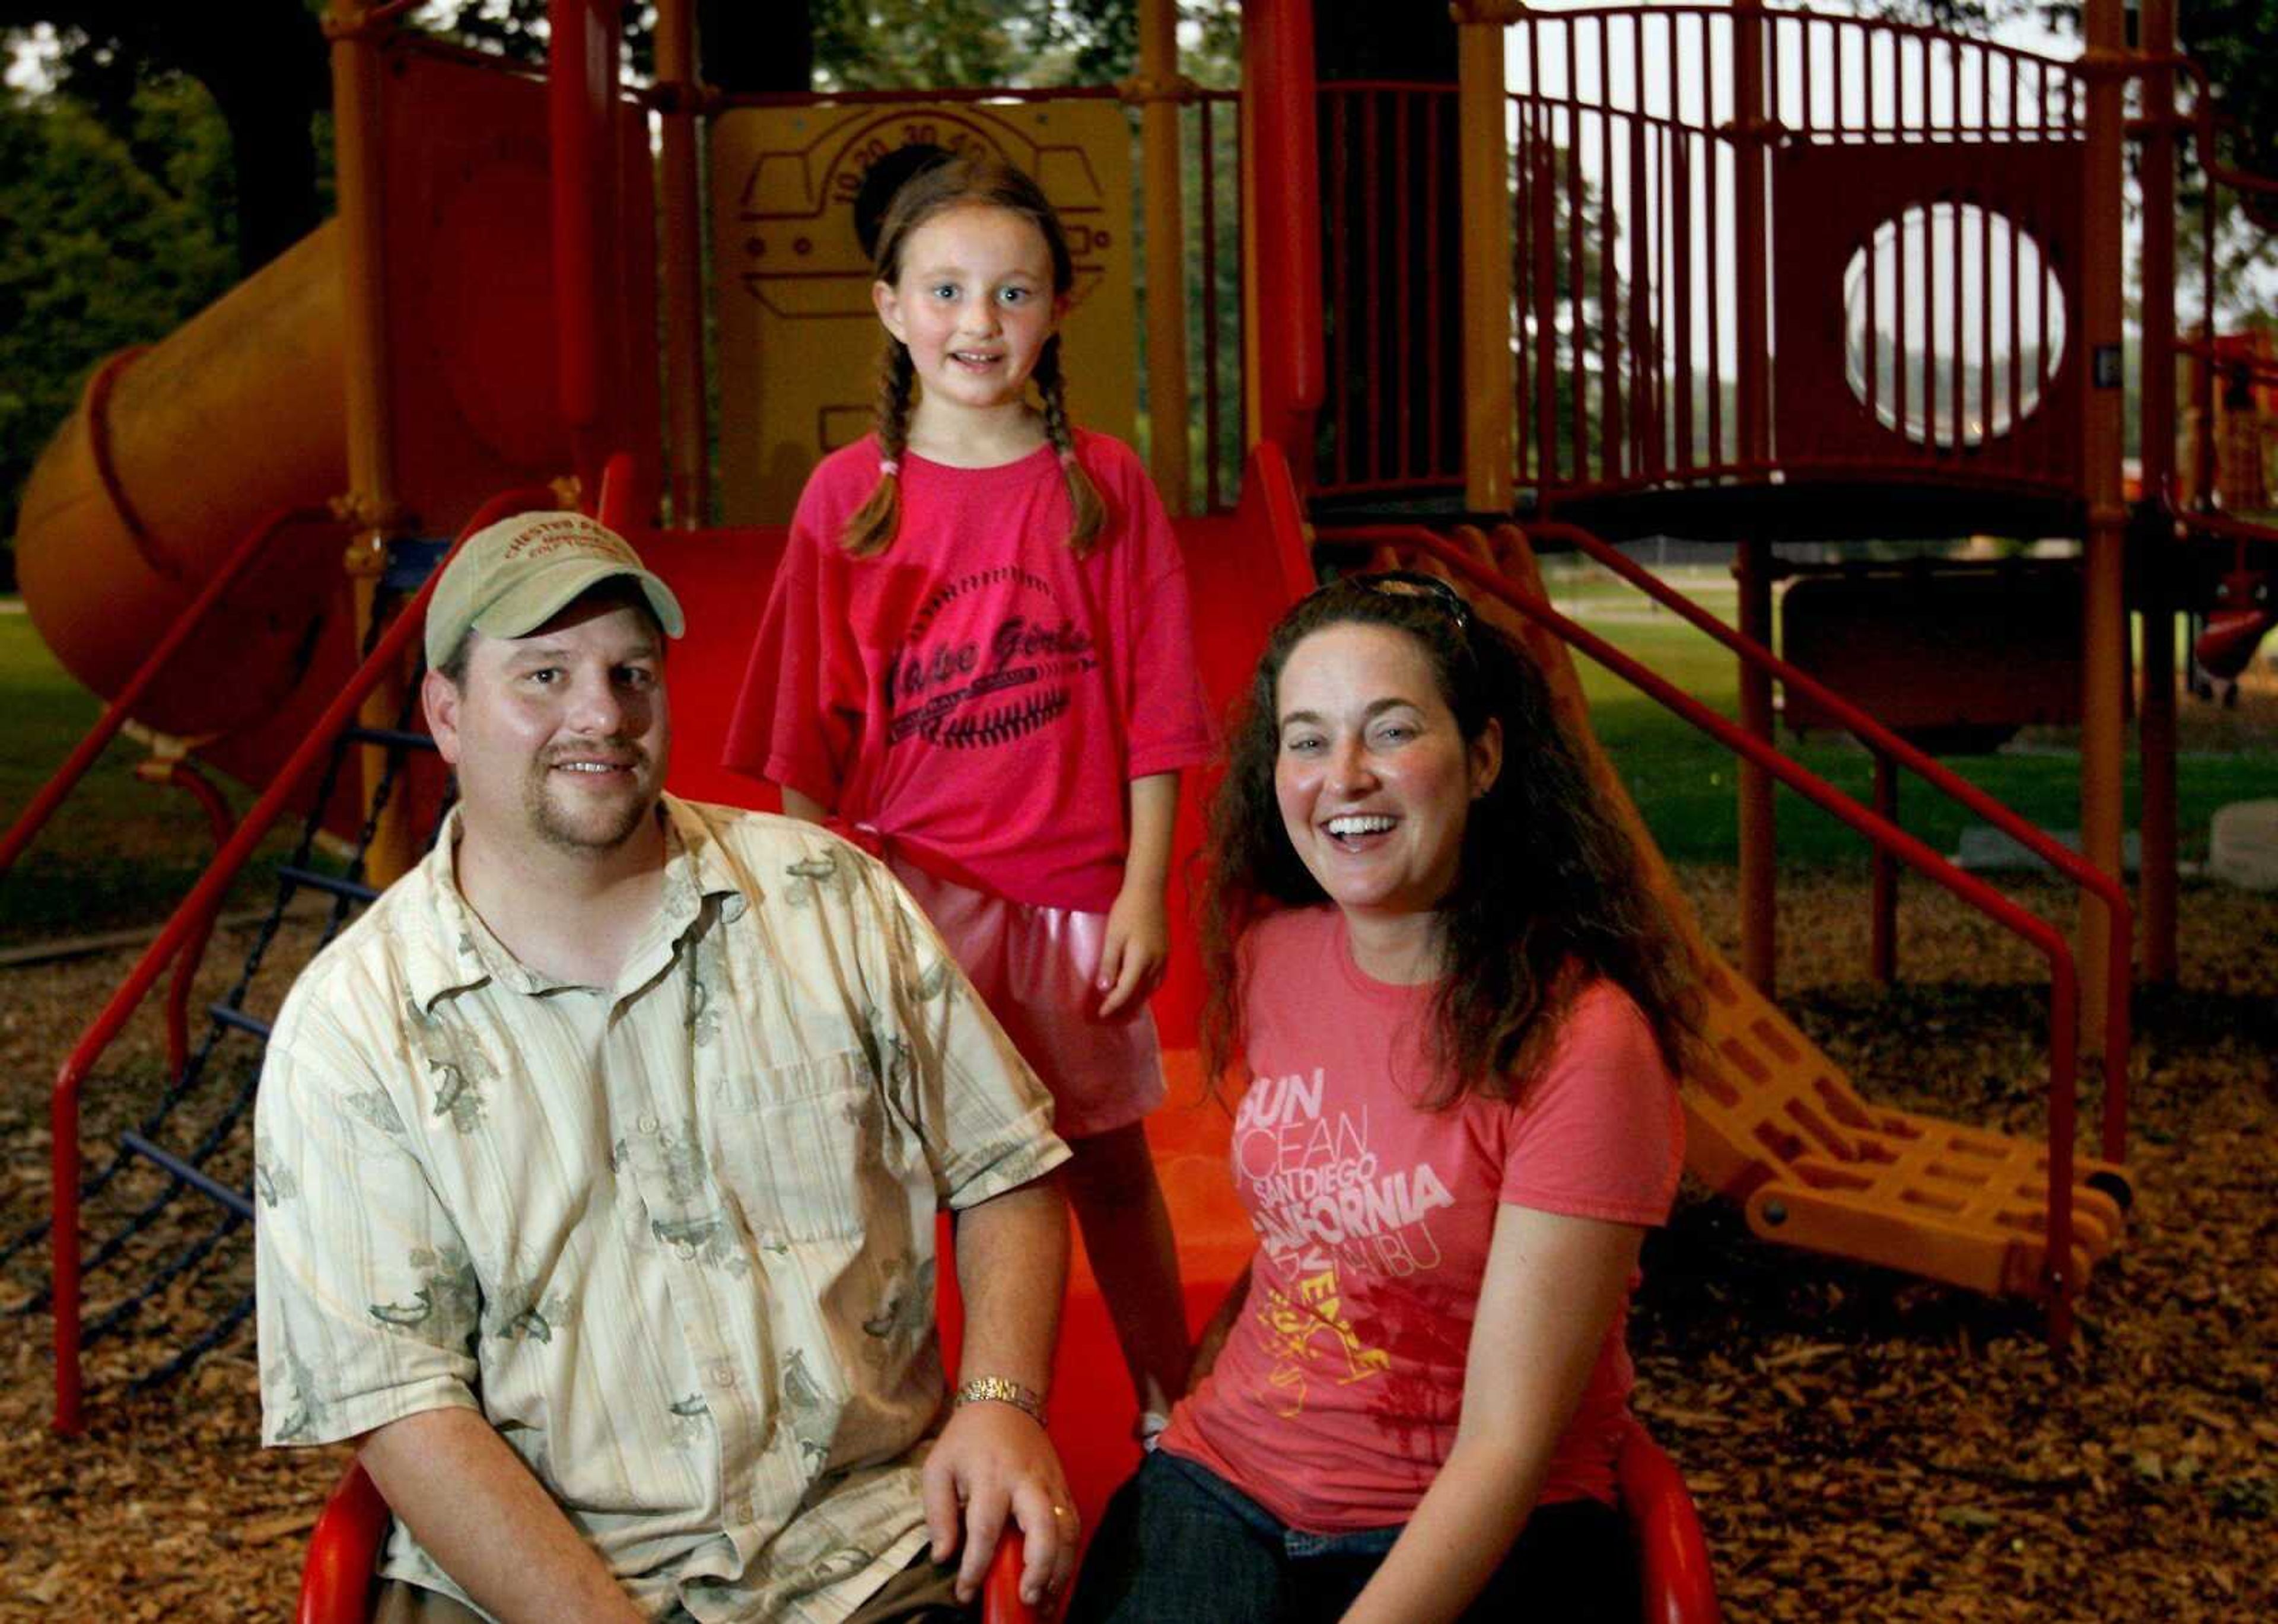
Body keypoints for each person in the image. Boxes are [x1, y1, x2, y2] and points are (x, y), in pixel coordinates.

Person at [255, 510, 1081, 1623]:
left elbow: (1009, 1167)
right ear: (446, 714)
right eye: (543, 674)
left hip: (864, 1557)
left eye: (629, 671)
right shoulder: (352, 1029)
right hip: (526, 1586)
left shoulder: (827, 901)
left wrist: (1000, 1400)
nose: (600, 712)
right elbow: (400, 1404)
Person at [1067, 572, 1698, 1623]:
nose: (1343, 777)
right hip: (1225, 1486)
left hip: (1474, 1526)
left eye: (1390, 731)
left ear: (1485, 757)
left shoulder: (1584, 1044)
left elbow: (1503, 1445)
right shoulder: (1275, 955)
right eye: (1306, 740)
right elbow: (1303, 1231)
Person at [725, 157, 1214, 1440]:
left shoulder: (1099, 485)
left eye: (1012, 292)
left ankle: (1181, 1401)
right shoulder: (850, 497)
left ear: (1056, 310)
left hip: (1067, 903)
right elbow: (801, 731)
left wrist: (1145, 889)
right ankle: (917, 1426)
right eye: (947, 290)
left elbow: (1162, 712)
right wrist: (800, 915)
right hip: (902, 906)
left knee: (1104, 1162)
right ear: (891, 307)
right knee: (896, 1179)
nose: (979, 321)